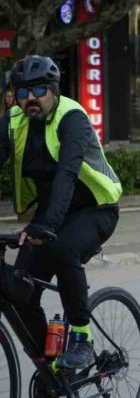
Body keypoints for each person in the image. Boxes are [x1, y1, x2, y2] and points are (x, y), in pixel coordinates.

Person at [0, 55, 122, 375]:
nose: (31, 99)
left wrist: (46, 227)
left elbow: (67, 175)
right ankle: (51, 368)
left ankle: (82, 337)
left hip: (95, 208)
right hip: (50, 212)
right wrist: (44, 224)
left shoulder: (72, 118)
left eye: (39, 89)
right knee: (19, 289)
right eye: (23, 92)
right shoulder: (14, 122)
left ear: (54, 90)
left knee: (64, 247)